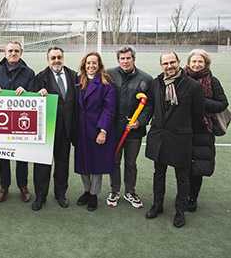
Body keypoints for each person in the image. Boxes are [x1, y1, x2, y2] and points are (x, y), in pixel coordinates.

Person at [143, 51, 205, 228]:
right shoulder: (156, 83)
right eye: (165, 63)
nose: (169, 66)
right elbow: (151, 104)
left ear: (179, 62)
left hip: (180, 138)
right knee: (159, 174)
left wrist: (182, 128)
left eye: (172, 62)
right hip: (159, 137)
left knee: (182, 177)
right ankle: (157, 205)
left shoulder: (193, 86)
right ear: (161, 65)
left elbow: (198, 114)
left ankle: (180, 211)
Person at [0, 41, 35, 203]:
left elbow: (34, 98)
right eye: (10, 51)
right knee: (3, 157)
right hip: (2, 123)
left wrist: (27, 93)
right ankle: (4, 186)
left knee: (22, 157)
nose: (13, 53)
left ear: (21, 53)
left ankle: (23, 186)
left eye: (16, 51)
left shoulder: (29, 73)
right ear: (5, 53)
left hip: (22, 123)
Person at [107, 46, 152, 208]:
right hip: (114, 130)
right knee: (114, 161)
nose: (125, 61)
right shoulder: (109, 75)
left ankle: (130, 191)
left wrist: (139, 121)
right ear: (118, 60)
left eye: (128, 58)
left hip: (134, 132)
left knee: (131, 163)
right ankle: (114, 190)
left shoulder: (146, 79)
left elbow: (149, 106)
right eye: (122, 59)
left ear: (133, 59)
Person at [32, 47, 77, 211]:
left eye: (59, 57)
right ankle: (40, 196)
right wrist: (38, 94)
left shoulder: (73, 75)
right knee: (42, 164)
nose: (56, 60)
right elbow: (32, 102)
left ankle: (60, 194)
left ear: (63, 58)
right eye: (53, 58)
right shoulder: (40, 77)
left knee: (63, 164)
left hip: (66, 129)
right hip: (46, 130)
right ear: (48, 60)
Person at [184, 49, 228, 212]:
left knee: (198, 167)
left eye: (200, 62)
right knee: (183, 165)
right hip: (184, 129)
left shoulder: (212, 81)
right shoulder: (181, 79)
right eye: (193, 61)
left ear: (206, 64)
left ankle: (192, 197)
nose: (196, 65)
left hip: (204, 129)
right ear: (188, 63)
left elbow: (222, 104)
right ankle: (183, 194)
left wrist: (201, 101)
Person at [75, 51, 116, 211]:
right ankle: (86, 190)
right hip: (80, 129)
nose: (91, 66)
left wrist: (103, 130)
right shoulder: (79, 80)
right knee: (82, 162)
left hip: (96, 128)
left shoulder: (106, 83)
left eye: (94, 63)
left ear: (99, 65)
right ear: (84, 65)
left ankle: (93, 194)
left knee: (96, 163)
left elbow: (109, 109)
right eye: (88, 63)